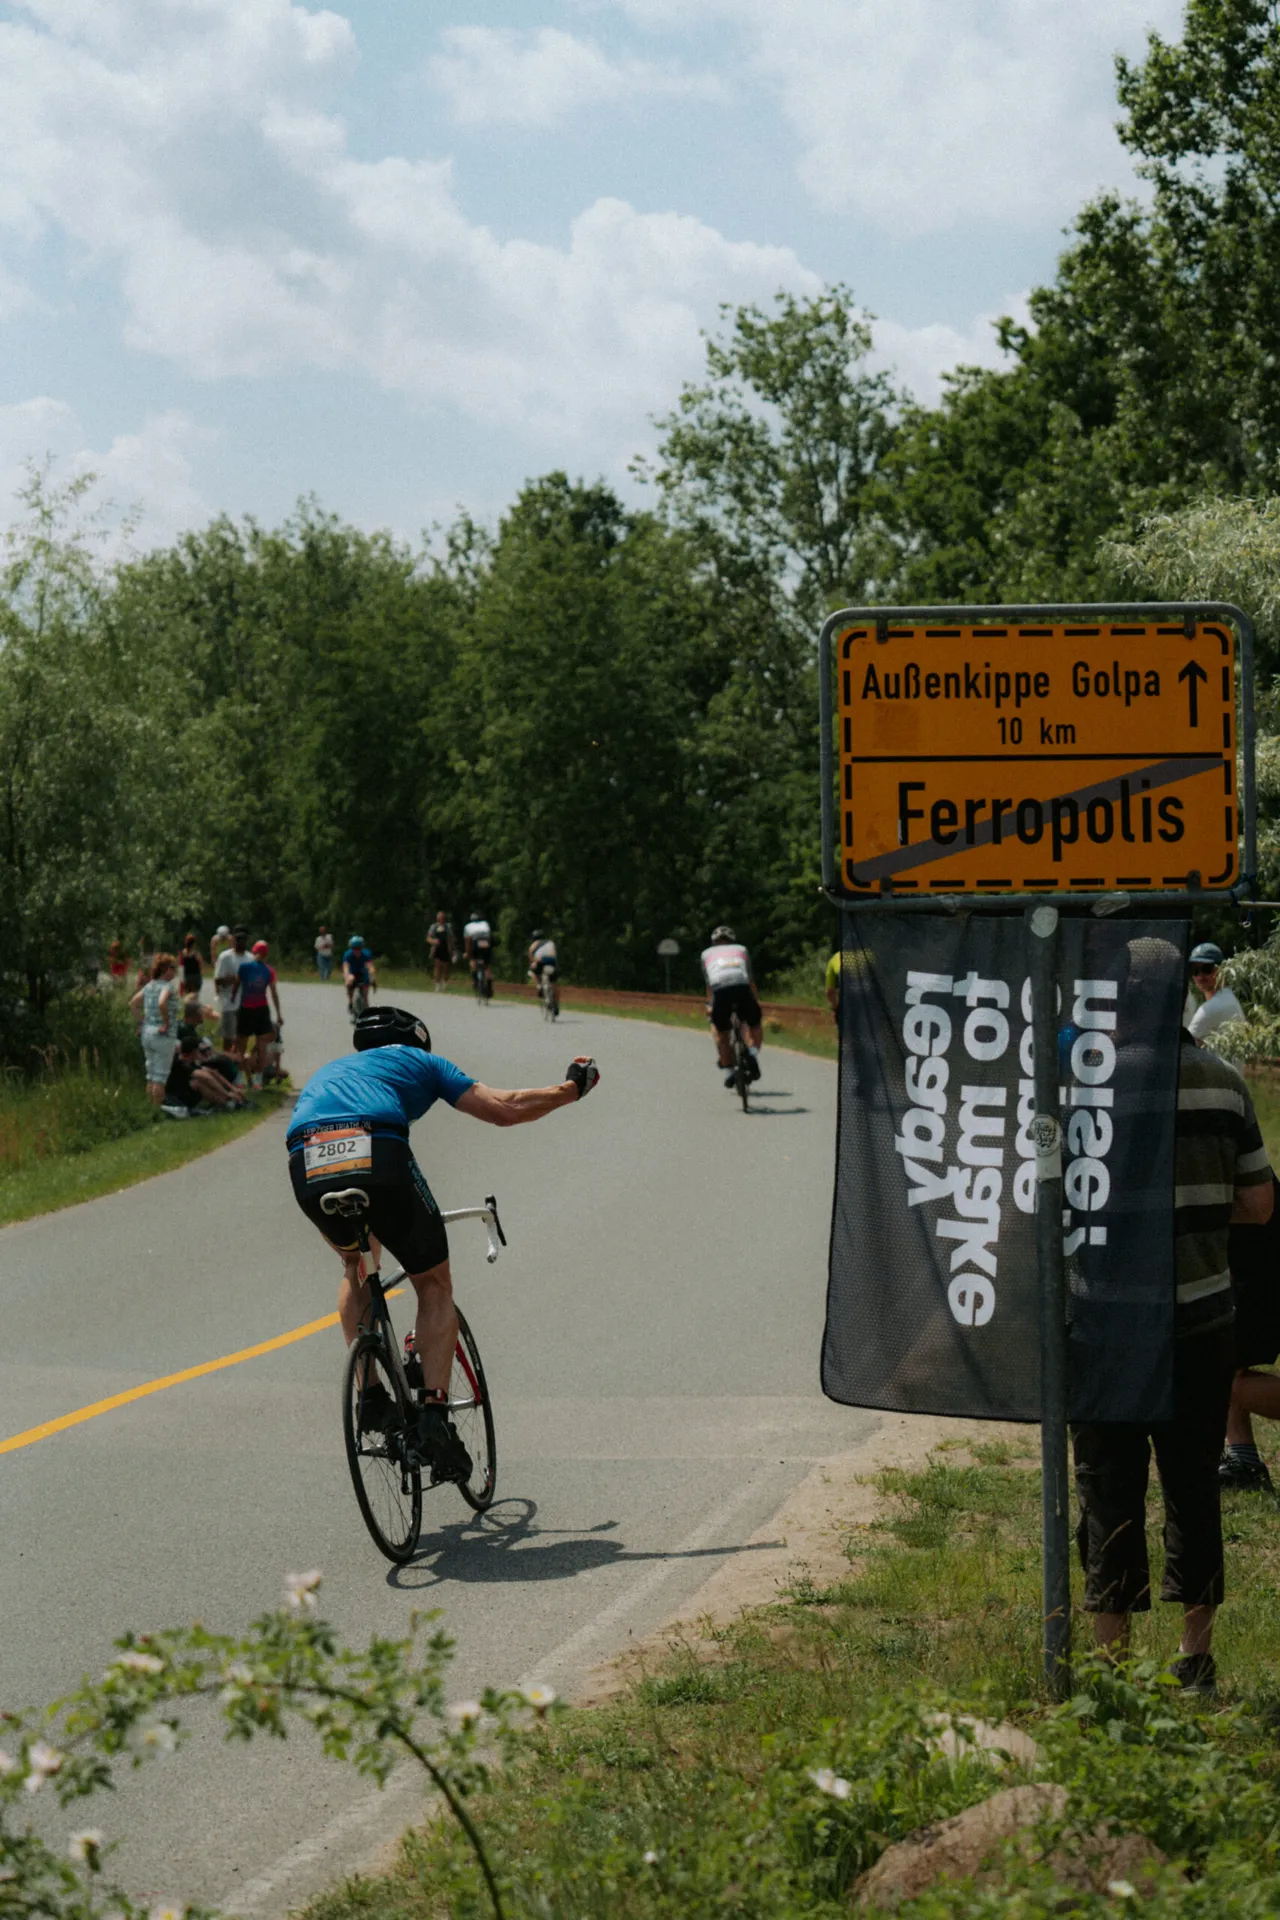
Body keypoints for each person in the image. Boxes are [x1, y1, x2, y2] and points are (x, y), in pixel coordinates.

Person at [287, 1005, 601, 1479]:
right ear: (416, 1039)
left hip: (307, 1156)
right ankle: (434, 1416)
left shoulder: (331, 1071)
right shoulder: (423, 1062)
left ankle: (370, 1393)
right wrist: (572, 1088)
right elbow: (505, 1108)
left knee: (356, 1265)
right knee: (433, 1283)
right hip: (378, 1148)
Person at [1071, 988, 1274, 1692]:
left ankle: (1110, 1665)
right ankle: (1196, 1661)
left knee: (1109, 1490)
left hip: (1105, 1326)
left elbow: (1044, 1201)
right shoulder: (1224, 1080)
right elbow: (1258, 1202)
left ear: (1118, 1010)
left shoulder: (1085, 1085)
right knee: (1193, 1487)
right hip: (1201, 1321)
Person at [1220, 1172, 1280, 1492]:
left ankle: (1245, 1464)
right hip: (1248, 1262)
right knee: (1224, 1365)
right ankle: (1244, 1463)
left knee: (1218, 1377)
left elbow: (1260, 1206)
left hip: (1260, 1263)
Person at [700, 925, 762, 1087]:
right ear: (733, 941)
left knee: (722, 1033)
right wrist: (755, 1001)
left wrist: (709, 1005)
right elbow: (750, 980)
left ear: (713, 943)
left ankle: (728, 1072)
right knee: (755, 1024)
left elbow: (709, 985)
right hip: (741, 988)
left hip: (720, 991)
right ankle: (752, 1055)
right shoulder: (741, 949)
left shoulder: (706, 954)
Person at [163, 1030, 250, 1114]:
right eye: (198, 1050)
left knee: (206, 1078)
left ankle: (231, 1101)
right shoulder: (179, 1063)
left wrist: (232, 1088)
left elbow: (211, 1072)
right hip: (177, 1098)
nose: (200, 1053)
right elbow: (205, 1077)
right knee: (198, 1083)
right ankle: (229, 1103)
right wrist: (227, 1094)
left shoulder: (189, 1060)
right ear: (194, 1052)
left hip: (186, 1091)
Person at [130, 953, 178, 1104]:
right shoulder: (167, 986)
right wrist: (166, 1023)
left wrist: (142, 1022)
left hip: (147, 1032)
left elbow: (133, 1003)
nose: (175, 971)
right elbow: (162, 1003)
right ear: (165, 969)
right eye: (173, 968)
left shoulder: (149, 985)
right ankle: (158, 1108)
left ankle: (150, 1107)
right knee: (160, 1076)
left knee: (150, 1074)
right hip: (162, 1035)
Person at [238, 938, 283, 1089]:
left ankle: (242, 1077)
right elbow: (274, 992)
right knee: (261, 1044)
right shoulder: (269, 970)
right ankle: (258, 1078)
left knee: (242, 1043)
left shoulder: (244, 967)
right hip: (261, 1008)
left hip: (246, 1007)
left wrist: (232, 1000)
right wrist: (278, 1013)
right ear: (266, 954)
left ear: (254, 951)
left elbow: (237, 986)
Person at [1184, 943, 1245, 1041]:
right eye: (1194, 970)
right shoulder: (1228, 997)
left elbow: (1185, 1051)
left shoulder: (1210, 1009)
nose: (1200, 976)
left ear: (1221, 970)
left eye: (1206, 969)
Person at [215, 929, 246, 1060]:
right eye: (237, 940)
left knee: (241, 1036)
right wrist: (234, 979)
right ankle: (225, 1062)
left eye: (243, 940)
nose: (240, 943)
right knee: (228, 1036)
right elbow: (218, 979)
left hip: (245, 1002)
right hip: (229, 1002)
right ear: (233, 941)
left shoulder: (249, 958)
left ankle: (238, 1062)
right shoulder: (225, 957)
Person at [343, 933, 377, 1018]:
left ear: (362, 948)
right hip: (352, 974)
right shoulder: (348, 954)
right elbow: (346, 967)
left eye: (359, 948)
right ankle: (350, 1001)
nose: (356, 951)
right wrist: (347, 977)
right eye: (354, 948)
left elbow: (370, 967)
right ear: (351, 948)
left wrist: (373, 978)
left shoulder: (366, 954)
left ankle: (366, 1012)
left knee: (365, 995)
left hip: (363, 974)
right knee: (350, 980)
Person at [528, 929, 559, 1017]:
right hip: (552, 962)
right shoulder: (550, 942)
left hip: (541, 962)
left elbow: (531, 959)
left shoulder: (533, 946)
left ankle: (539, 986)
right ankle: (556, 1002)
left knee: (531, 971)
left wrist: (533, 963)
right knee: (553, 982)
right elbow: (555, 955)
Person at [464, 912, 494, 1000]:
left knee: (473, 961)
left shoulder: (468, 926)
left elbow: (467, 941)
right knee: (486, 966)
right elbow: (489, 937)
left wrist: (467, 953)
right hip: (486, 943)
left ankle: (475, 981)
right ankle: (489, 985)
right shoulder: (485, 924)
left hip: (475, 943)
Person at [427, 911, 456, 992]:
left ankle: (445, 983)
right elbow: (428, 938)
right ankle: (437, 985)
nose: (440, 920)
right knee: (437, 967)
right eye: (439, 918)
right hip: (437, 948)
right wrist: (433, 941)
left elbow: (451, 938)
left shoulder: (448, 927)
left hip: (446, 948)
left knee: (446, 967)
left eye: (442, 918)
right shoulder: (434, 927)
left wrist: (453, 950)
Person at [180, 933, 204, 999]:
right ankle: (194, 1008)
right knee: (195, 995)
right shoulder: (196, 953)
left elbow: (180, 965)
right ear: (194, 943)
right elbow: (201, 964)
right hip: (195, 976)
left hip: (187, 976)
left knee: (187, 996)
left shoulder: (183, 953)